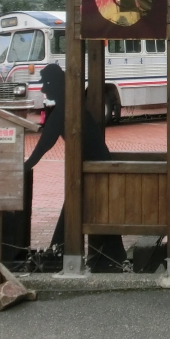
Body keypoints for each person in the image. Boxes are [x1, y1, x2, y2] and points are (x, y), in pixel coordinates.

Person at [25, 64, 124, 270]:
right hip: (96, 168)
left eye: (47, 84)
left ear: (57, 84)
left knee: (78, 208)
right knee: (82, 208)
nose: (44, 89)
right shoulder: (71, 106)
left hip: (94, 170)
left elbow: (44, 145)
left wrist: (24, 167)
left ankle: (58, 254)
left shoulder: (65, 111)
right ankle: (111, 256)